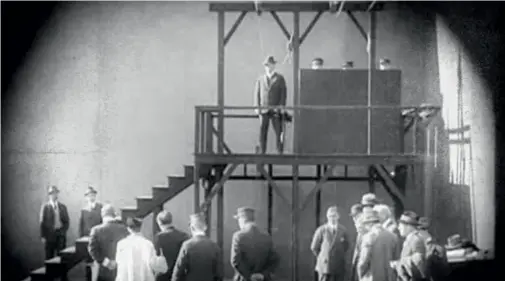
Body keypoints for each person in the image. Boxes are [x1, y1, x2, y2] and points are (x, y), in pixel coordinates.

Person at [230, 207, 280, 281]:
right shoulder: (266, 237)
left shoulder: (238, 236)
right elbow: (275, 259)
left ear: (242, 219)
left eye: (238, 220)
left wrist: (249, 276)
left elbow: (235, 261)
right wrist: (263, 275)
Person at [172, 213, 223, 281]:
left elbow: (178, 270)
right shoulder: (214, 246)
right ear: (205, 227)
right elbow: (219, 273)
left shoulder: (187, 245)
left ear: (192, 228)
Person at [254, 55, 287, 154]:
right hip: (264, 109)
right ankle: (262, 151)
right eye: (266, 66)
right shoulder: (260, 79)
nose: (268, 67)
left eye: (269, 65)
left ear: (273, 66)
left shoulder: (280, 78)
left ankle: (279, 151)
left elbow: (283, 93)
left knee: (278, 131)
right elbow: (257, 93)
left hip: (275, 109)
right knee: (262, 131)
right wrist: (257, 106)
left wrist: (281, 106)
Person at [88, 204, 129, 281]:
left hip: (104, 272)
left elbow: (92, 250)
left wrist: (106, 262)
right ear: (114, 215)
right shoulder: (124, 229)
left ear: (102, 215)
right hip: (120, 270)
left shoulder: (95, 230)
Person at [357, 211, 400, 281]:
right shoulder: (393, 236)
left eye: (365, 224)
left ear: (370, 224)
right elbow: (397, 260)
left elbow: (363, 263)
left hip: (372, 277)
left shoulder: (368, 237)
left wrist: (361, 276)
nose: (365, 227)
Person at [311, 206, 350, 281]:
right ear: (327, 217)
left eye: (334, 216)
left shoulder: (343, 230)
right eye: (330, 216)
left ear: (338, 216)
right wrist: (323, 256)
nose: (332, 218)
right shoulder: (321, 230)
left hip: (338, 266)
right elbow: (314, 247)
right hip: (325, 267)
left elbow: (346, 246)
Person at [390, 211, 427, 281]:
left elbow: (419, 263)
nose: (398, 228)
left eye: (400, 225)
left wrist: (398, 263)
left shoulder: (416, 240)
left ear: (409, 226)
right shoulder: (409, 239)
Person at [153, 210, 190, 281]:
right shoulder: (184, 236)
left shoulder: (159, 237)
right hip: (180, 276)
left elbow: (156, 257)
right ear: (171, 220)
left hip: (163, 276)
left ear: (159, 223)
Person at [79, 186, 104, 281]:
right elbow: (81, 226)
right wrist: (81, 238)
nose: (91, 197)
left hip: (98, 239)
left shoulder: (100, 207)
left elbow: (103, 223)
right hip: (87, 239)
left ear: (95, 196)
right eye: (89, 195)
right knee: (88, 262)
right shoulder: (84, 210)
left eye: (93, 195)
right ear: (86, 197)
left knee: (98, 260)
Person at [39, 185, 70, 260]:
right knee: (49, 258)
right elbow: (42, 222)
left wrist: (62, 231)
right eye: (52, 193)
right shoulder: (45, 207)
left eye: (55, 193)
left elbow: (67, 222)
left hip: (60, 236)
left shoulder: (62, 207)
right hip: (49, 237)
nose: (53, 195)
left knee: (61, 259)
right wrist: (43, 236)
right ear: (49, 195)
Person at [349, 204, 365, 281]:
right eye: (353, 216)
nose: (354, 219)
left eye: (356, 215)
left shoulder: (366, 231)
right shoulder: (359, 232)